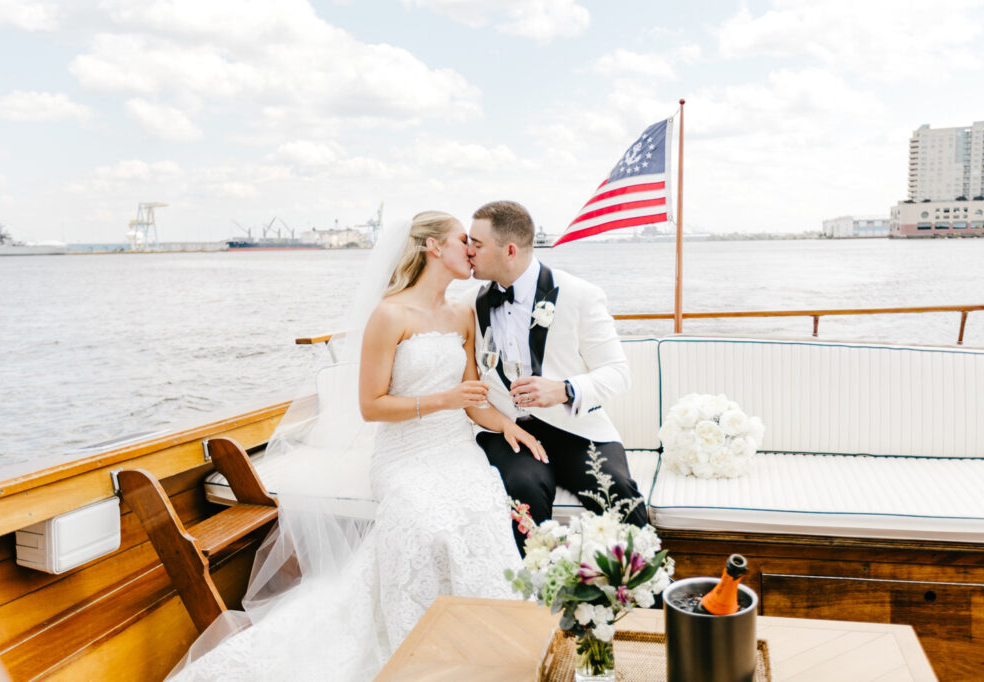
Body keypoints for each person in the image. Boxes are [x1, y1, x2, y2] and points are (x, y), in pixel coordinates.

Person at [168, 211, 535, 681]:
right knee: (425, 519)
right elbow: (371, 405)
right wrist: (441, 399)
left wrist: (505, 424)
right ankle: (417, 645)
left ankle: (486, 643)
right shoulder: (389, 314)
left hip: (455, 448)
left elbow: (470, 398)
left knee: (483, 509)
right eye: (462, 239)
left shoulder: (464, 312)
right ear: (433, 248)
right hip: (404, 454)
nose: (470, 248)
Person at [464, 200, 648, 552]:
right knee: (523, 489)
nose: (467, 250)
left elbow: (619, 373)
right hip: (511, 433)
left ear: (510, 250)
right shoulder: (472, 303)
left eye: (477, 243)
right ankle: (535, 593)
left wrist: (565, 390)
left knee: (616, 489)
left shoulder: (580, 295)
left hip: (577, 429)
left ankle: (650, 593)